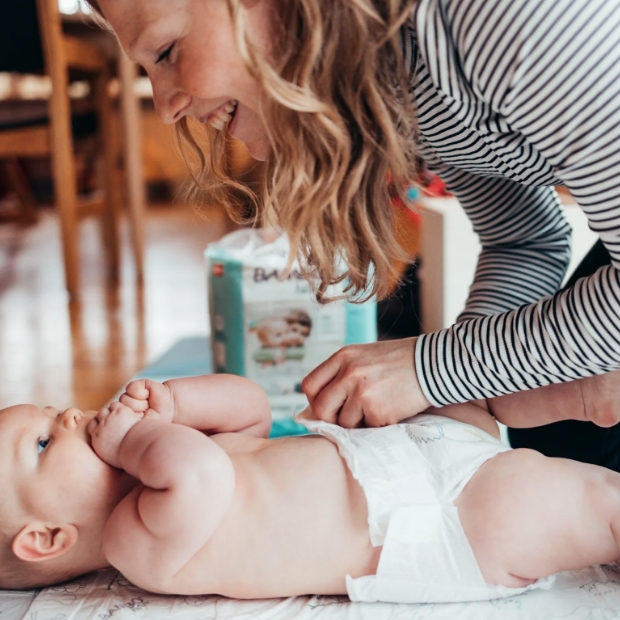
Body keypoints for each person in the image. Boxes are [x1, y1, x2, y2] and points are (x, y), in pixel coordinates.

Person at [87, 0, 620, 468]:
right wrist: (460, 395)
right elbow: (525, 241)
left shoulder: (503, 16)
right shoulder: (403, 74)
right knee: (551, 444)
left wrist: (432, 368)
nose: (163, 105)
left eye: (166, 52)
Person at [2, 373, 620, 601]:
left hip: (401, 449)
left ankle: (584, 393)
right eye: (43, 444)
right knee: (593, 504)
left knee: (468, 386)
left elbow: (251, 411)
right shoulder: (134, 543)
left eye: (54, 408)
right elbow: (201, 476)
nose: (69, 417)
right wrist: (133, 440)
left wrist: (178, 401)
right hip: (441, 521)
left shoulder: (155, 460)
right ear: (48, 537)